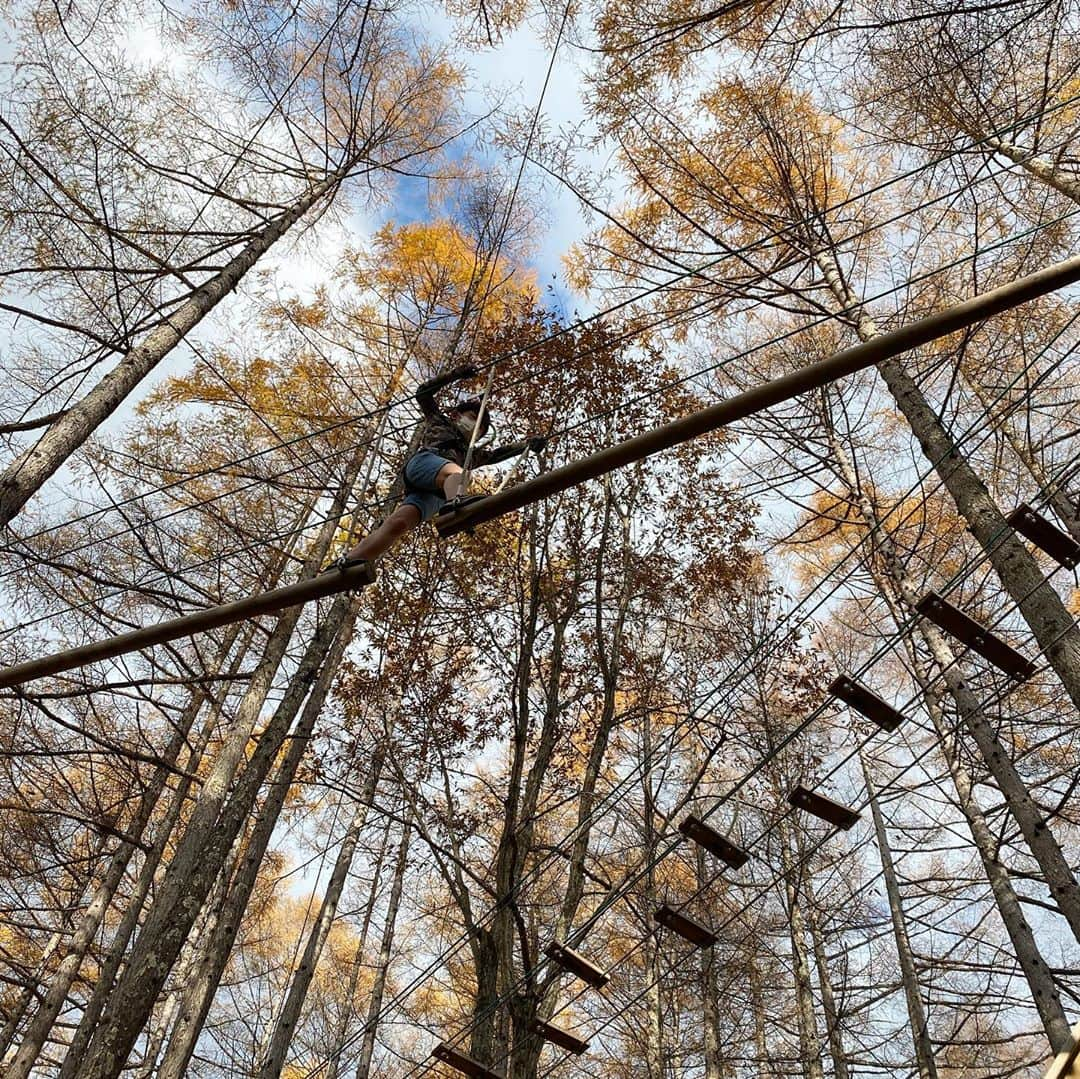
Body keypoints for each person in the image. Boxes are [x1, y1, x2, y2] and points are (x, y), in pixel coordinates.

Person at [333, 365, 545, 566]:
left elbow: (498, 454)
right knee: (459, 473)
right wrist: (454, 375)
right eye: (472, 419)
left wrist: (526, 445)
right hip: (425, 464)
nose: (475, 429)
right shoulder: (439, 422)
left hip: (436, 494)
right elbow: (423, 393)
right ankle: (458, 505)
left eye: (480, 430)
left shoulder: (470, 453)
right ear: (457, 415)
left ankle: (351, 560)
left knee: (399, 524)